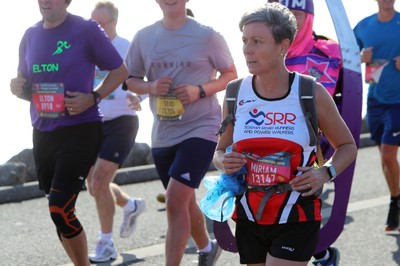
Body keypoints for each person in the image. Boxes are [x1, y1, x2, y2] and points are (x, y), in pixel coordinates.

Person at [213, 2, 357, 266]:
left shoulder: (309, 92)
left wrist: (325, 172)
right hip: (249, 212)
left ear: (283, 45)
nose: (247, 49)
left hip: (297, 211)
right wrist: (224, 161)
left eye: (257, 41)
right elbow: (220, 151)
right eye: (245, 40)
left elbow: (347, 145)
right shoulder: (234, 94)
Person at [9, 0, 127, 265]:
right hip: (43, 131)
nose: (44, 1)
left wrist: (93, 97)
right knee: (59, 212)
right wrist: (16, 86)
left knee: (59, 208)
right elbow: (25, 83)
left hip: (80, 129)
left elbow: (120, 71)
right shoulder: (30, 35)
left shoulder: (85, 30)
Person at [124, 0, 238, 265]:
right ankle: (206, 248)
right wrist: (151, 87)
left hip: (202, 127)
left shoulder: (207, 35)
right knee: (184, 203)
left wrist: (200, 90)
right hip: (163, 133)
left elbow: (230, 74)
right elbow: (129, 79)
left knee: (175, 200)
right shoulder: (144, 37)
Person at [268, 0, 342, 265]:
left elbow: (348, 94)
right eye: (278, 14)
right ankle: (321, 254)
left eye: (295, 14)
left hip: (314, 143)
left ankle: (319, 254)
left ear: (308, 17)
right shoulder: (266, 50)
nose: (287, 21)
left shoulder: (332, 50)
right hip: (271, 138)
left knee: (294, 203)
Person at [86, 2, 145, 263]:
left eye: (102, 23)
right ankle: (131, 205)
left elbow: (141, 82)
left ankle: (106, 243)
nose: (97, 28)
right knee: (94, 186)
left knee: (99, 182)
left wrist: (138, 98)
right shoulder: (85, 50)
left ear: (114, 22)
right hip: (91, 122)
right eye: (93, 23)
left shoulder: (127, 47)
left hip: (122, 121)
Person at [353, 0, 400, 232]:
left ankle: (394, 203)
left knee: (389, 155)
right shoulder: (364, 26)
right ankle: (396, 198)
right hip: (375, 100)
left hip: (398, 101)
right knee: (385, 158)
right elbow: (345, 54)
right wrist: (361, 56)